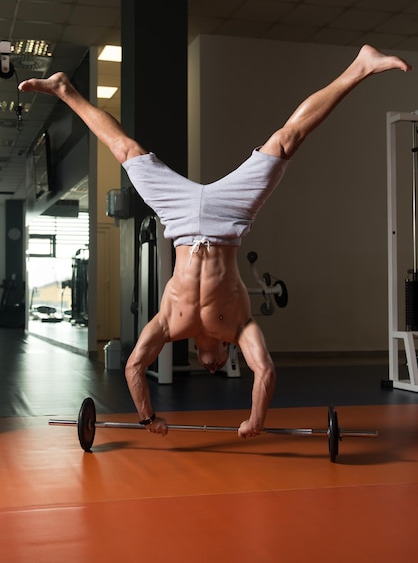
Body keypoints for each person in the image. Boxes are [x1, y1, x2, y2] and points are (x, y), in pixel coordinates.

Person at [19, 45, 412, 438]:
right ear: (227, 352)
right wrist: (256, 419)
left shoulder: (171, 324)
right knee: (285, 140)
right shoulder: (240, 326)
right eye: (220, 365)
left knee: (126, 149)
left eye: (211, 366)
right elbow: (266, 371)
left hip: (180, 217)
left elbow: (134, 366)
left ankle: (65, 89)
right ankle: (360, 67)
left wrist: (146, 417)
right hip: (228, 218)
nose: (213, 366)